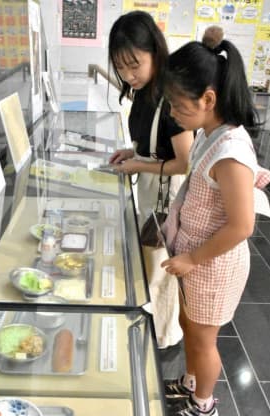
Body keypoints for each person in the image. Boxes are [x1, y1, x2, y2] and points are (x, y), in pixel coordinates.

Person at [161, 27, 270, 416]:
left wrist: (191, 257)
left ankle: (204, 403)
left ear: (208, 99)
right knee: (189, 323)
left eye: (177, 104)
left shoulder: (230, 152)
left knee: (205, 338)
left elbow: (242, 225)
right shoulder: (212, 130)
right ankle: (191, 381)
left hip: (213, 264)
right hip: (197, 257)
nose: (172, 113)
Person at [108, 10, 193, 349]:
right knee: (150, 264)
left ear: (155, 53)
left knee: (161, 270)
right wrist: (133, 154)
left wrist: (140, 166)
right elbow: (153, 146)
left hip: (165, 199)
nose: (128, 75)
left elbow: (183, 163)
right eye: (120, 67)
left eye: (134, 64)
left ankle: (164, 337)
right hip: (149, 191)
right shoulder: (144, 91)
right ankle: (151, 325)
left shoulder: (170, 97)